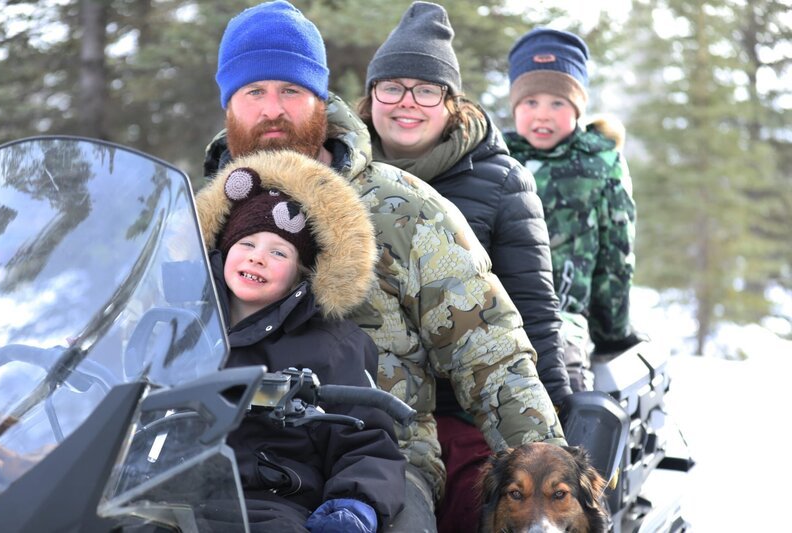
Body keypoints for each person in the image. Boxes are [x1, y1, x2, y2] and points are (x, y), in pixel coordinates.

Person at [203, 2, 566, 531]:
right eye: (253, 92)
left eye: (291, 91)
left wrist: (549, 487)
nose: (272, 109)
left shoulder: (403, 208)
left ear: (320, 100)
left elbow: (488, 352)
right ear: (229, 104)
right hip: (214, 452)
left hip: (377, 463)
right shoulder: (203, 215)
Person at [355, 3, 571, 530]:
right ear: (371, 97)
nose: (408, 103)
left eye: (426, 90)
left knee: (475, 504)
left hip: (466, 402)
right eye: (393, 88)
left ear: (451, 103)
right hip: (368, 394)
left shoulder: (501, 183)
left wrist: (555, 416)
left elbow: (532, 308)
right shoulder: (341, 174)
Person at [194, 149, 406, 532]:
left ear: (300, 275)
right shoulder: (179, 323)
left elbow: (366, 440)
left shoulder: (330, 344)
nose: (258, 258)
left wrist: (355, 504)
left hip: (264, 502)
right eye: (246, 244)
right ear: (222, 251)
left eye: (278, 252)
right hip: (164, 489)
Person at [504, 28, 642, 391]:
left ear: (578, 108)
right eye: (530, 103)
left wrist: (612, 332)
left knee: (563, 376)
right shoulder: (497, 158)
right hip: (498, 312)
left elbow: (616, 256)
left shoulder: (601, 164)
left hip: (564, 314)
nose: (542, 115)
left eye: (557, 103)